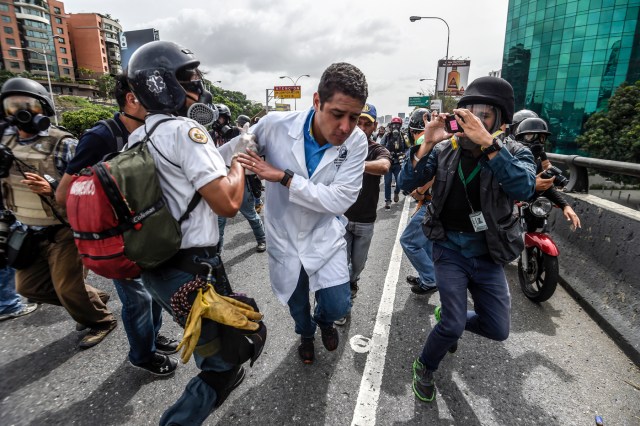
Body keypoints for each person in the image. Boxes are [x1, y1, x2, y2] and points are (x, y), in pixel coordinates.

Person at [124, 40, 260, 425]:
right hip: (191, 272)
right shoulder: (186, 131)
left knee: (222, 345)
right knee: (226, 362)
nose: (199, 86)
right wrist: (239, 163)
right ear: (165, 84)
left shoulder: (140, 136)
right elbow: (227, 204)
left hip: (158, 270)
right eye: (190, 78)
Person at [398, 76, 536, 402]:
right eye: (468, 113)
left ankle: (450, 319)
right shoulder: (446, 149)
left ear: (499, 120)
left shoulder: (514, 151)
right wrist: (426, 144)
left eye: (483, 115)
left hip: (489, 252)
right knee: (452, 325)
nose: (473, 120)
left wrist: (490, 146)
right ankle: (426, 364)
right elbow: (407, 182)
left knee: (498, 329)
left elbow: (524, 188)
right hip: (448, 248)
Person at [219, 62, 368, 364]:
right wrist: (242, 150)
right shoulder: (275, 125)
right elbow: (223, 158)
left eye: (354, 117)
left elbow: (339, 200)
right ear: (317, 102)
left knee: (338, 304)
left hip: (324, 235)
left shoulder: (357, 142)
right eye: (337, 114)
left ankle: (325, 321)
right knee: (297, 304)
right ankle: (306, 334)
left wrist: (284, 177)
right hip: (284, 235)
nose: (345, 127)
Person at [56, 74, 179, 375]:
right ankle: (142, 354)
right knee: (137, 299)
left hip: (148, 232)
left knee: (153, 293)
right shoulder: (101, 137)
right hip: (119, 238)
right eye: (151, 93)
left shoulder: (154, 132)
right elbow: (65, 193)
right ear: (132, 99)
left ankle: (151, 336)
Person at [0, 77, 117, 349]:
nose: (20, 113)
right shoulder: (5, 145)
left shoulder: (63, 143)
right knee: (29, 288)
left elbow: (88, 185)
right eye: (11, 107)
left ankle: (101, 320)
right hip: (26, 229)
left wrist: (52, 187)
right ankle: (90, 298)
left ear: (43, 108)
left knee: (67, 288)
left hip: (63, 228)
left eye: (26, 105)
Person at [334, 103, 390, 326]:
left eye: (367, 123)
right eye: (359, 121)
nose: (362, 126)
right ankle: (342, 305)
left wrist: (357, 163)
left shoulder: (376, 149)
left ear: (374, 126)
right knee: (341, 265)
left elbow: (384, 166)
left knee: (357, 266)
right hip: (341, 218)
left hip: (366, 220)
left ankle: (353, 283)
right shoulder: (339, 146)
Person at [514, 117, 581, 230]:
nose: (537, 142)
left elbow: (546, 186)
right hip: (505, 207)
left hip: (530, 203)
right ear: (520, 138)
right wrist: (530, 185)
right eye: (531, 136)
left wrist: (565, 206)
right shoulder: (508, 157)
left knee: (538, 223)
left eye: (541, 138)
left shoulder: (537, 160)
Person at [400, 108, 438, 295]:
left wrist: (420, 190)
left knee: (408, 240)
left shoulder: (424, 141)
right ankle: (428, 275)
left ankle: (430, 278)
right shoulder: (439, 139)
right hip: (436, 201)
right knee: (426, 242)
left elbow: (435, 171)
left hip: (432, 202)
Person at [216, 113, 266, 254]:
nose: (218, 122)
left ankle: (262, 239)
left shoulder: (239, 136)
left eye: (221, 118)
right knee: (220, 220)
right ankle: (217, 252)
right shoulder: (207, 136)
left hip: (241, 180)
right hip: (221, 181)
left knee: (250, 214)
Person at [381, 117, 409, 209]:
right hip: (388, 162)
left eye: (397, 125)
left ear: (400, 126)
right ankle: (388, 200)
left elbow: (409, 148)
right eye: (394, 125)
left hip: (398, 163)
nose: (395, 127)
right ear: (391, 126)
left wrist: (403, 153)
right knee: (387, 182)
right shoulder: (387, 135)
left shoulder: (404, 136)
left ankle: (396, 192)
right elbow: (381, 147)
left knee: (399, 182)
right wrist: (388, 152)